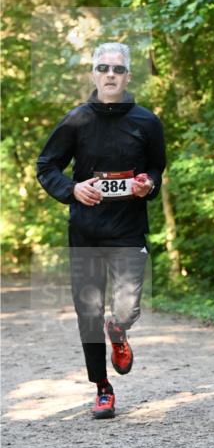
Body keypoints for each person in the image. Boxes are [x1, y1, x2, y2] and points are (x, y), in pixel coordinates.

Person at [36, 43, 166, 419]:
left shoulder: (147, 122)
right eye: (103, 68)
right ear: (93, 74)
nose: (110, 74)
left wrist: (148, 184)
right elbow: (47, 166)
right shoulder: (76, 120)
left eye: (118, 69)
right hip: (87, 231)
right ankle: (102, 388)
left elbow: (157, 169)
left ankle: (119, 328)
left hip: (127, 229)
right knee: (88, 312)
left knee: (125, 308)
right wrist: (72, 189)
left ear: (128, 76)